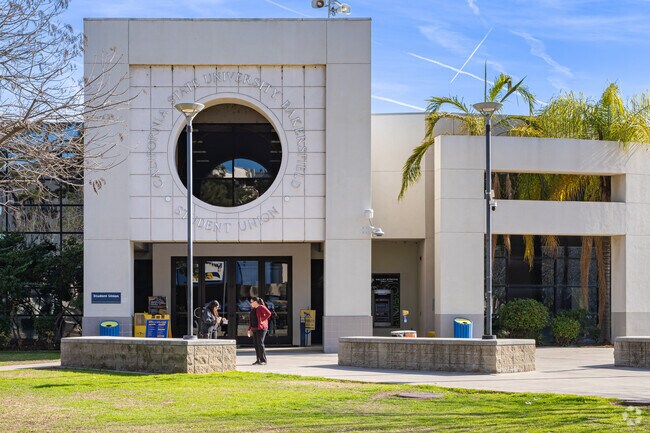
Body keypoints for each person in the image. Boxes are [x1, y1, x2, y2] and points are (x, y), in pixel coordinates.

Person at [247, 296, 271, 365]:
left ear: (255, 302)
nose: (251, 303)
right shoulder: (253, 310)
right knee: (256, 344)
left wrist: (262, 320)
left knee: (260, 343)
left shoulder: (261, 307)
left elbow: (269, 313)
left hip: (261, 328)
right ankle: (258, 360)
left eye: (252, 302)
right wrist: (249, 329)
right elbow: (251, 320)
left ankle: (263, 360)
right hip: (254, 328)